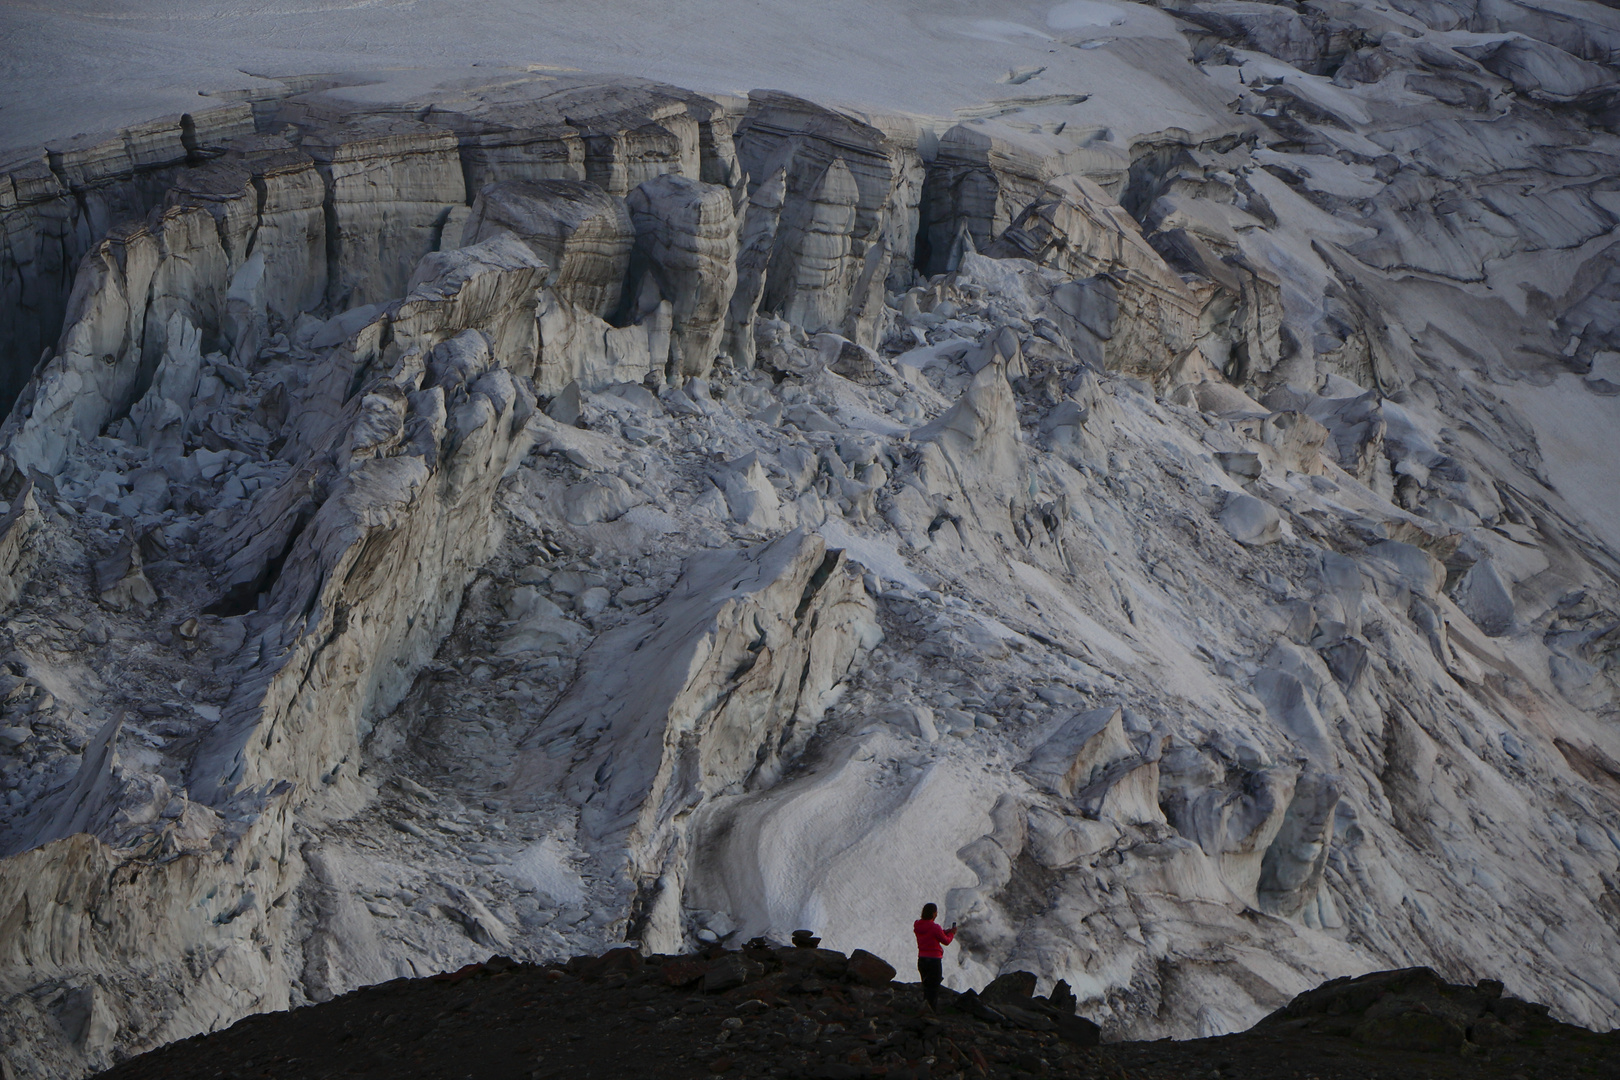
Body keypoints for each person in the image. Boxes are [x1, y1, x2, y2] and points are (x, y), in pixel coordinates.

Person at [913, 902, 956, 1010]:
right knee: (934, 987)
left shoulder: (918, 925)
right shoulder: (934, 927)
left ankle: (924, 1008)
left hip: (922, 959)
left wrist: (944, 932)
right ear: (933, 914)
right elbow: (946, 941)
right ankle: (931, 1011)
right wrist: (952, 933)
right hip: (934, 960)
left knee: (926, 985)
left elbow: (933, 934)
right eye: (936, 913)